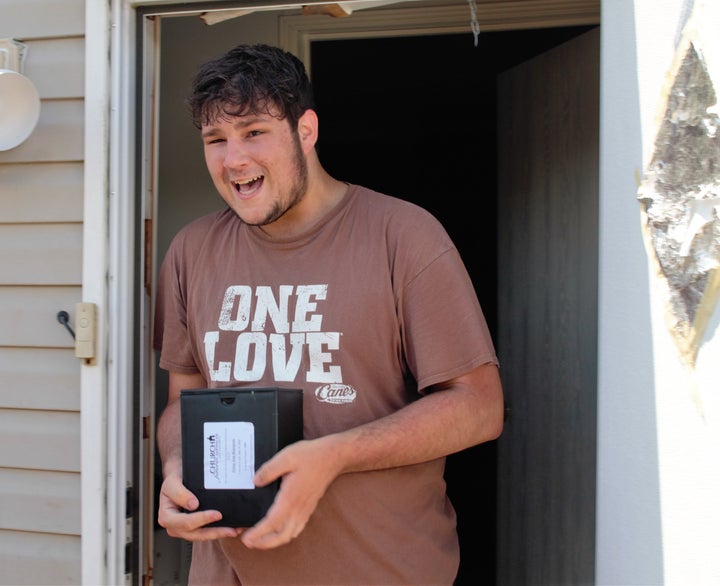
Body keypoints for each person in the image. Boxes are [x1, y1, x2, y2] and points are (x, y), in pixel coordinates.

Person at [154, 43, 504, 586]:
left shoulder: (404, 237)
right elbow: (183, 399)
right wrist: (176, 466)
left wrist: (335, 455)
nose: (233, 159)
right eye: (215, 140)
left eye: (253, 132)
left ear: (307, 130)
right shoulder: (190, 251)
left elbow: (479, 407)